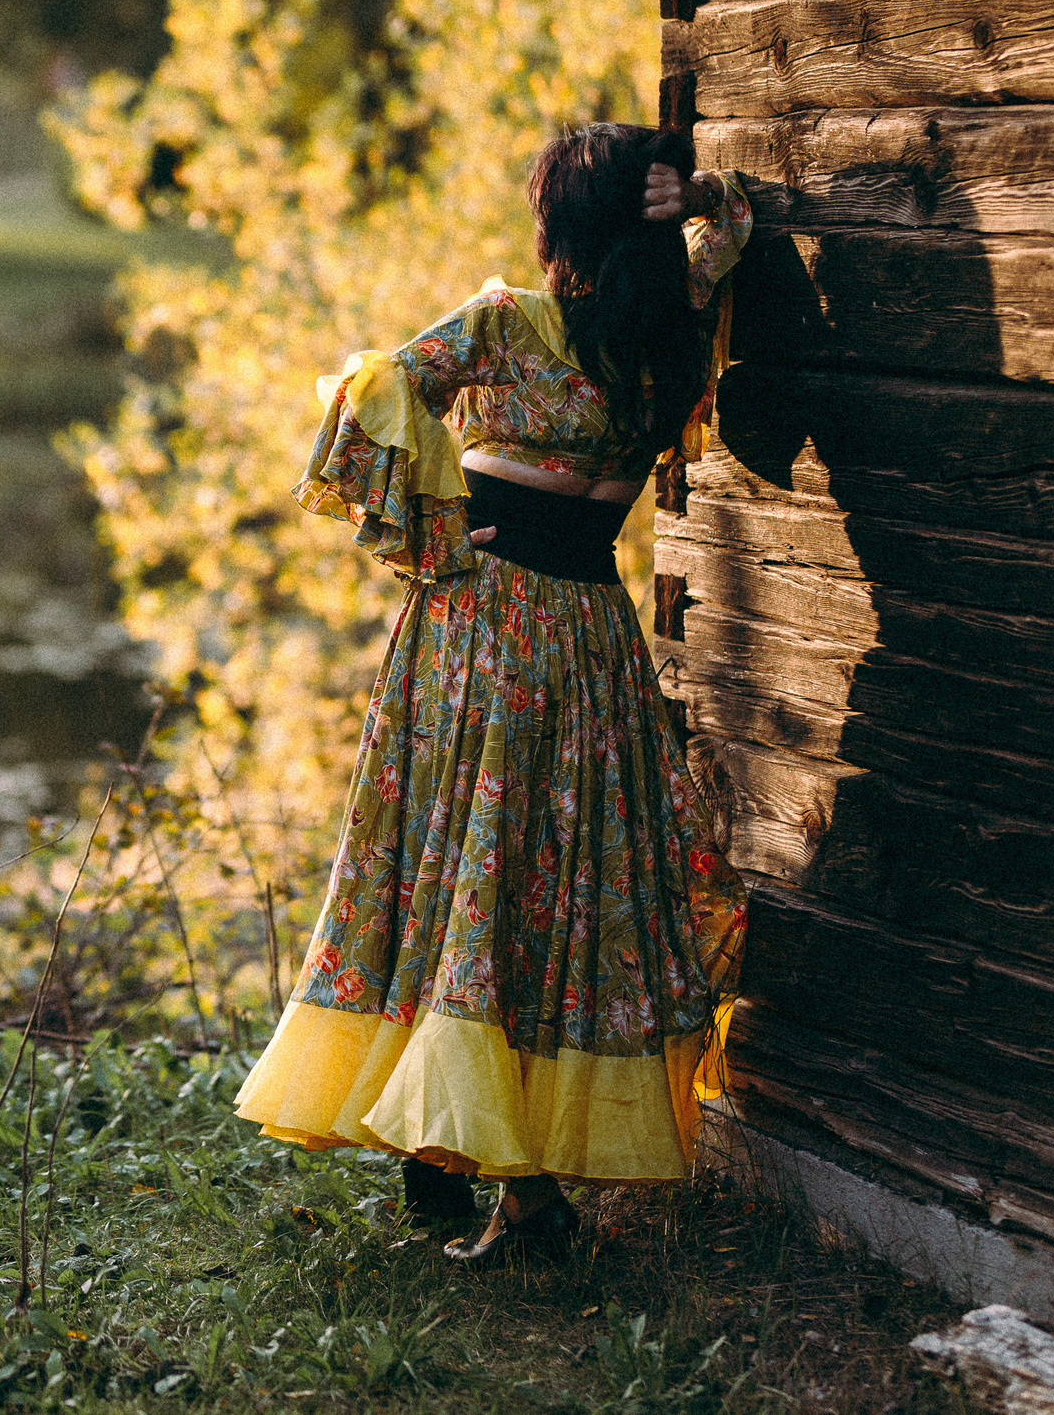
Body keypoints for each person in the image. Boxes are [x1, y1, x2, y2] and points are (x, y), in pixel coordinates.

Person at [231, 122, 752, 1261]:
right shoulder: (673, 336)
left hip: (482, 626)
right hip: (592, 644)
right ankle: (493, 1180)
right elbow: (733, 228)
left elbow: (371, 391)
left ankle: (463, 1159)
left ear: (559, 228)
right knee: (555, 883)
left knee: (459, 867)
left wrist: (431, 524)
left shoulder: (508, 322)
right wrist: (694, 199)